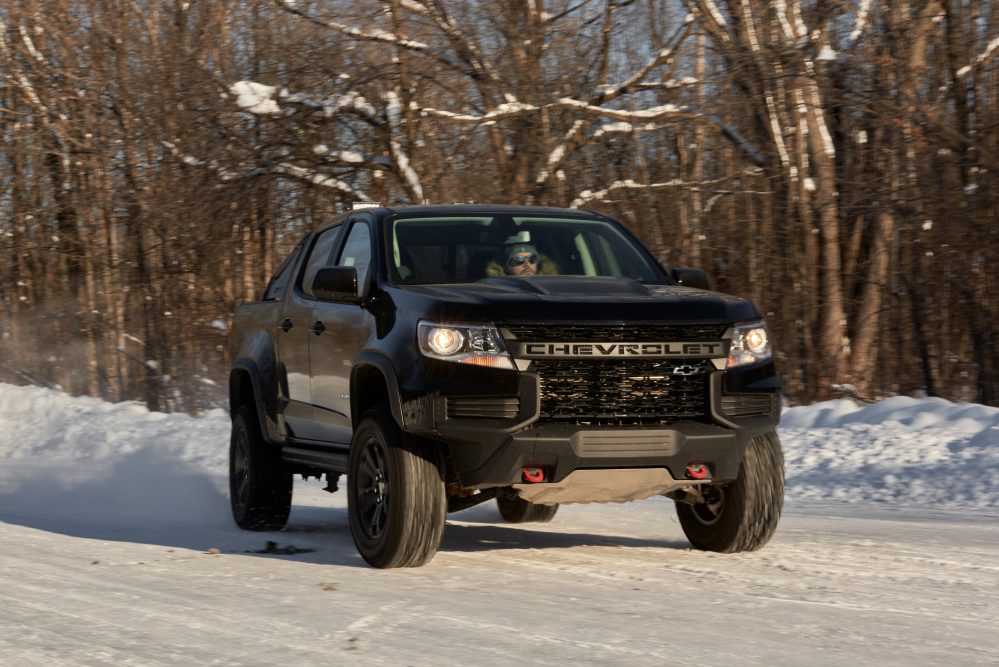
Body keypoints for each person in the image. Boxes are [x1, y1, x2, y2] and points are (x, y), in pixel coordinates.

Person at [485, 241, 558, 277]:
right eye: (518, 260)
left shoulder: (552, 286)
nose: (527, 264)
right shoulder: (496, 291)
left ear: (537, 264)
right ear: (506, 267)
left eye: (532, 259)